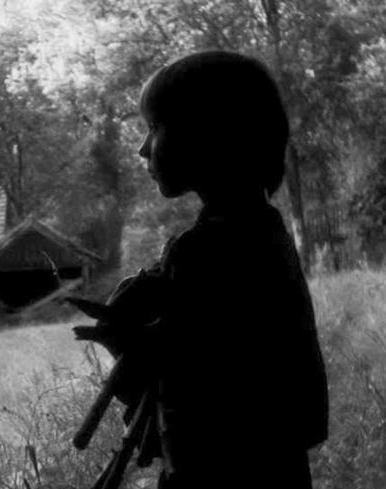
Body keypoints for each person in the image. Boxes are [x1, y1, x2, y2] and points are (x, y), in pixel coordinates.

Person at [121, 50, 330, 488]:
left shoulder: (202, 252)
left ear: (205, 134)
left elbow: (174, 387)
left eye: (154, 127)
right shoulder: (266, 232)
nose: (142, 148)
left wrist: (120, 334)